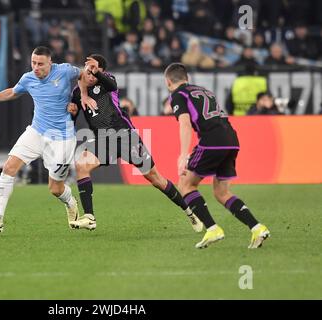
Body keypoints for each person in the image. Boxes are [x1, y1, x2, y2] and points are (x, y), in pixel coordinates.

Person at [67, 54, 203, 232]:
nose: (90, 75)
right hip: (104, 139)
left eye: (94, 71)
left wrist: (96, 73)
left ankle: (189, 212)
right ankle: (90, 217)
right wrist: (71, 112)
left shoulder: (108, 82)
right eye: (88, 70)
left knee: (155, 179)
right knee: (82, 165)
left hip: (125, 136)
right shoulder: (78, 93)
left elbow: (111, 85)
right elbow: (73, 118)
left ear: (102, 71)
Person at [0, 46, 87, 233]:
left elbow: (83, 74)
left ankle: (70, 202)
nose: (36, 67)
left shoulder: (64, 70)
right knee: (9, 167)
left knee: (55, 188)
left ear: (50, 63)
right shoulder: (28, 78)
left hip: (62, 138)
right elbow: (12, 92)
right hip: (36, 131)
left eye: (40, 64)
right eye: (33, 63)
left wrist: (81, 97)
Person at [164, 63, 270, 249]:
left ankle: (212, 229)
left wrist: (183, 155)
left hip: (212, 141)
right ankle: (257, 227)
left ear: (168, 82)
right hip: (231, 139)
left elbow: (185, 123)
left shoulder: (177, 95)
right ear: (186, 78)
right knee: (221, 192)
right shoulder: (205, 91)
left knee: (185, 184)